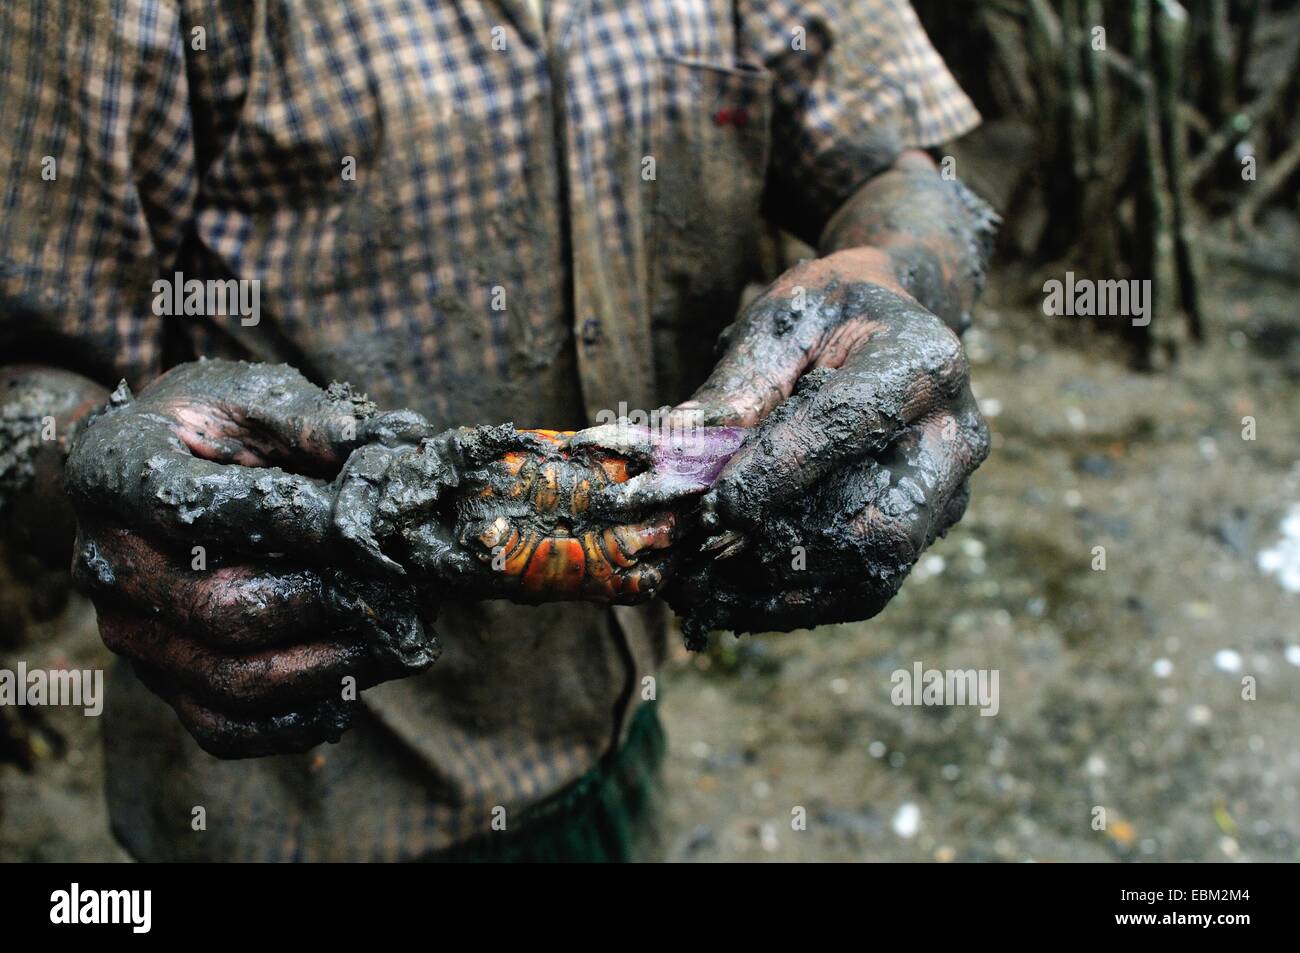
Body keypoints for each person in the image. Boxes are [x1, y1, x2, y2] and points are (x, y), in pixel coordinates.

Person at [0, 0, 994, 861]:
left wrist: (895, 279)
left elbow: (904, 178)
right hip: (294, 790)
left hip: (618, 707)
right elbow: (24, 375)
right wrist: (95, 463)